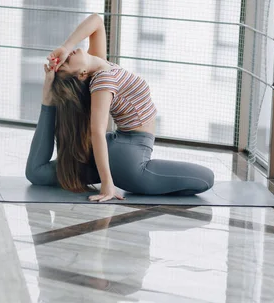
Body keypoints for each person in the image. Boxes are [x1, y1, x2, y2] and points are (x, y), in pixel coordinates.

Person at [25, 13, 214, 202]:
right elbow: (97, 132)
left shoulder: (98, 65)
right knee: (206, 178)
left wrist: (65, 47)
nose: (67, 57)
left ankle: (48, 99)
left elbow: (97, 22)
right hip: (129, 160)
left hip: (117, 147)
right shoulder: (103, 80)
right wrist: (107, 183)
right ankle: (48, 97)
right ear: (81, 74)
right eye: (66, 63)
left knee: (37, 172)